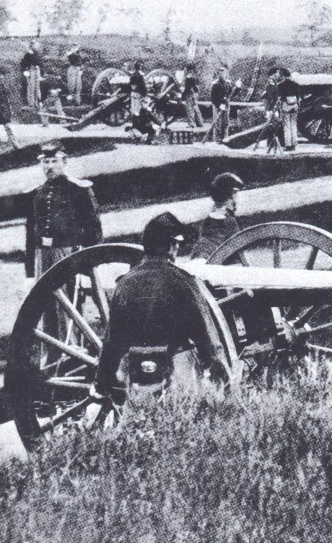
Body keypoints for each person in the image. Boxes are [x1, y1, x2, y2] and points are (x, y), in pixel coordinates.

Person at [94, 212, 229, 401]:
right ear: (171, 245)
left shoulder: (124, 284)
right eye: (177, 244)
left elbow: (112, 341)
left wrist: (101, 385)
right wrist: (219, 373)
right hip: (177, 378)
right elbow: (204, 334)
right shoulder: (182, 280)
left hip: (136, 379)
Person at [24, 144, 102, 287]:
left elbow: (94, 228)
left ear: (64, 162)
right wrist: (29, 273)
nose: (50, 166)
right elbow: (30, 232)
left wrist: (90, 266)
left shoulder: (79, 189)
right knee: (43, 297)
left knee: (68, 296)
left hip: (69, 254)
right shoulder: (36, 192)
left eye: (54, 161)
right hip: (42, 256)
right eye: (46, 162)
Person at [191, 173, 243, 259]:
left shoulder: (217, 217)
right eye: (236, 193)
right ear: (232, 194)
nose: (237, 200)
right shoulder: (220, 219)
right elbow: (209, 243)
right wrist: (201, 259)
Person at [277, 68, 300, 151]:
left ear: (283, 76)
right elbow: (298, 97)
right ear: (290, 75)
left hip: (286, 106)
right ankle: (294, 145)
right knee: (294, 125)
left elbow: (279, 98)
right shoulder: (296, 84)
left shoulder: (280, 85)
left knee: (287, 126)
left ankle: (288, 145)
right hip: (294, 105)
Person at [210, 67, 234, 142]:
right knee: (217, 122)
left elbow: (231, 94)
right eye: (220, 73)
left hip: (226, 104)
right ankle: (216, 139)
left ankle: (225, 137)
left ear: (226, 74)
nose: (222, 75)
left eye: (223, 73)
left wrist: (238, 88)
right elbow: (213, 98)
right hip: (217, 104)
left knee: (226, 121)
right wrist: (219, 105)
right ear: (218, 75)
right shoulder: (215, 84)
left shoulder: (228, 84)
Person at [20, 40, 43, 108]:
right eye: (36, 45)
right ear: (32, 45)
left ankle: (37, 102)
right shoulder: (28, 54)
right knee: (31, 87)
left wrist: (39, 70)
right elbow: (23, 64)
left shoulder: (37, 53)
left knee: (37, 87)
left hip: (37, 71)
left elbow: (39, 63)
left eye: (37, 45)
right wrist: (25, 71)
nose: (37, 46)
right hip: (31, 71)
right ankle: (31, 103)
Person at [181, 62, 204, 128]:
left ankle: (191, 124)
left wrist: (183, 93)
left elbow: (187, 87)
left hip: (189, 94)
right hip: (194, 93)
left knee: (189, 109)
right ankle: (200, 123)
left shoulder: (188, 76)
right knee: (195, 108)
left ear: (186, 68)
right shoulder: (193, 74)